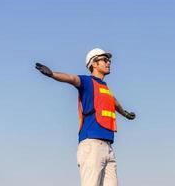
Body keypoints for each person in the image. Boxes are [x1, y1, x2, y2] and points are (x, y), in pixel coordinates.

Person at [35, 48, 136, 186]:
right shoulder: (88, 82)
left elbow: (114, 102)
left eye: (109, 60)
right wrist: (52, 74)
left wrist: (124, 112)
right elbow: (72, 79)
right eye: (104, 60)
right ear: (94, 64)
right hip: (92, 145)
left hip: (108, 147)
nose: (108, 63)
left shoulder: (105, 88)